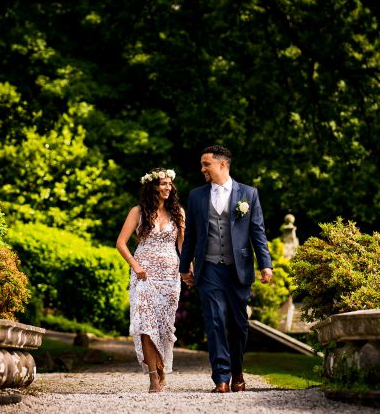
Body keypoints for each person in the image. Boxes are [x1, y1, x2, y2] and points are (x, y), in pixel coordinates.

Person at [179, 145, 273, 393]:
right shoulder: (197, 195)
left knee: (239, 324)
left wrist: (266, 264)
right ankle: (221, 378)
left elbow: (257, 232)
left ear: (222, 164)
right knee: (215, 320)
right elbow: (190, 235)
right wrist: (184, 267)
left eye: (206, 164)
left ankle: (237, 371)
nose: (202, 169)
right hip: (209, 268)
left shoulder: (249, 194)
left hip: (238, 269)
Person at [116, 167, 185, 393]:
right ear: (152, 186)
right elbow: (121, 243)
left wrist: (188, 270)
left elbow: (183, 247)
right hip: (143, 275)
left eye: (169, 184)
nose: (167, 187)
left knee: (164, 326)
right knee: (145, 324)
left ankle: (161, 365)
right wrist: (136, 267)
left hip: (169, 276)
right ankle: (153, 378)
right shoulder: (138, 212)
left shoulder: (178, 213)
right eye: (162, 183)